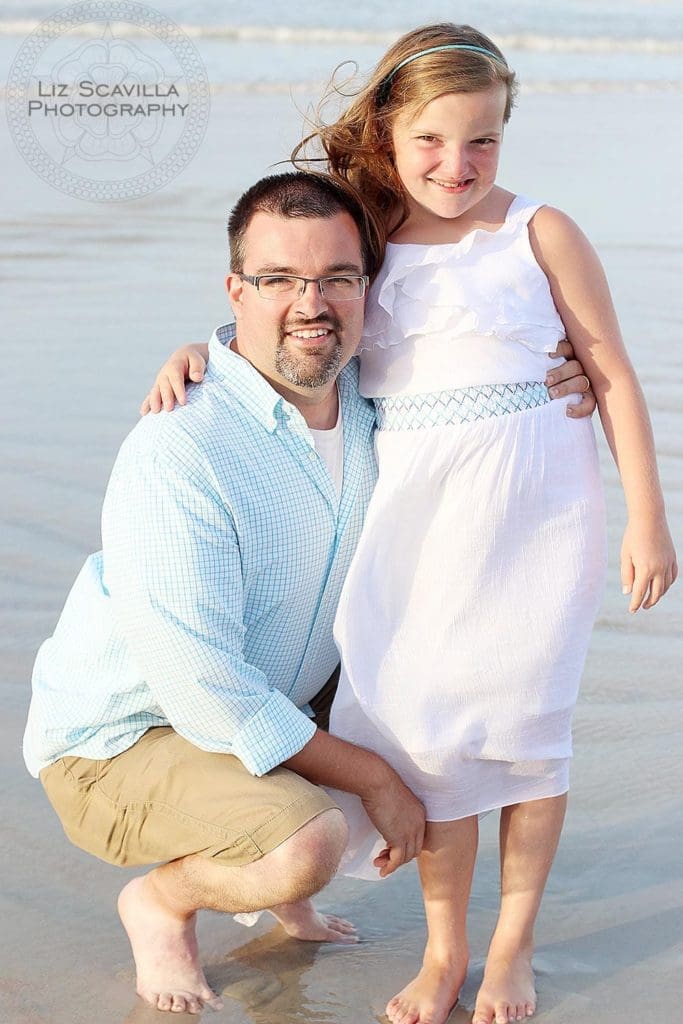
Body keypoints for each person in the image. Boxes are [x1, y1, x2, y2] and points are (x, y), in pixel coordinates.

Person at [143, 23, 677, 1024]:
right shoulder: (370, 231)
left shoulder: (537, 231)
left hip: (539, 516)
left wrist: (645, 516)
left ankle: (509, 949)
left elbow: (605, 367)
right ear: (387, 130)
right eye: (431, 140)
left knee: (525, 739)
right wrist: (201, 349)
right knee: (432, 742)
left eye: (481, 142)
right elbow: (297, 310)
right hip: (418, 521)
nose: (456, 165)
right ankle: (443, 953)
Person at [23, 171, 430, 1016]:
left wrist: (568, 372)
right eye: (279, 280)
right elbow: (202, 688)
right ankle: (162, 904)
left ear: (365, 286)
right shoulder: (182, 446)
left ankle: (280, 884)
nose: (311, 302)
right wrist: (370, 776)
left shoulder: (369, 401)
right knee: (312, 837)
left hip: (254, 703)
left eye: (336, 278)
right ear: (236, 291)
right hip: (119, 741)